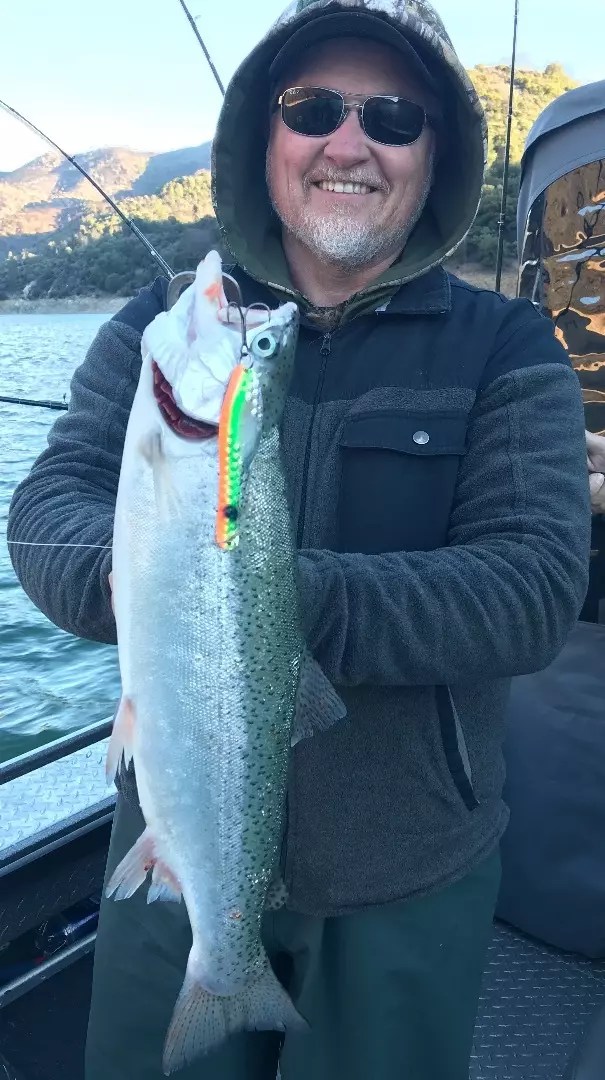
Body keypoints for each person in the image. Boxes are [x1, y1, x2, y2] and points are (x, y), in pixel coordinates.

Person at [7, 2, 592, 1078]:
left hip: (408, 870)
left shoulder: (503, 345)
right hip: (172, 852)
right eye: (311, 107)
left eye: (392, 117)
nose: (347, 142)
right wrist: (167, 584)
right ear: (262, 137)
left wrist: (258, 597)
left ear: (435, 153)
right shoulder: (167, 320)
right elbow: (45, 519)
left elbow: (532, 588)